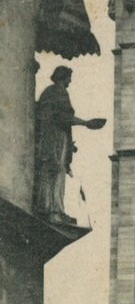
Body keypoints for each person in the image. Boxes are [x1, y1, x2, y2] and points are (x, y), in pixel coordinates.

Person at [35, 66, 105, 222]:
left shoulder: (51, 92)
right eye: (69, 77)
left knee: (53, 170)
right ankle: (54, 211)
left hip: (54, 137)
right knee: (56, 170)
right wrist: (85, 123)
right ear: (63, 77)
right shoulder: (58, 92)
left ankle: (51, 209)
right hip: (53, 137)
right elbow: (64, 117)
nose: (70, 81)